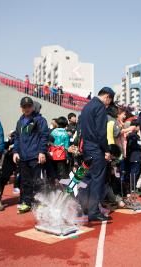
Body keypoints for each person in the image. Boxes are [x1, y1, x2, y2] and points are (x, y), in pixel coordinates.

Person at [78, 87, 114, 221]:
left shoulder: (86, 106)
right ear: (107, 97)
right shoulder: (99, 107)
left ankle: (82, 207)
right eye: (109, 101)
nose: (108, 104)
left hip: (87, 147)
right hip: (96, 148)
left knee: (86, 178)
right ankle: (93, 211)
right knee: (97, 179)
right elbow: (101, 132)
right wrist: (106, 150)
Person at [13, 97, 49, 213]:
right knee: (25, 181)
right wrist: (15, 152)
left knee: (38, 181)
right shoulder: (19, 121)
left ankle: (40, 202)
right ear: (21, 108)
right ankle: (26, 203)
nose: (27, 108)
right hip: (23, 157)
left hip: (35, 156)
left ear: (33, 107)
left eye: (29, 106)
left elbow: (44, 136)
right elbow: (17, 138)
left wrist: (42, 152)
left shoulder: (40, 120)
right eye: (24, 106)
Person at [50, 116, 70, 180]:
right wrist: (68, 157)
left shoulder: (53, 132)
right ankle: (63, 187)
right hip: (61, 155)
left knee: (53, 171)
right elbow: (66, 147)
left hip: (52, 154)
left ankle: (54, 186)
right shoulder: (65, 134)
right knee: (62, 172)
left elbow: (50, 142)